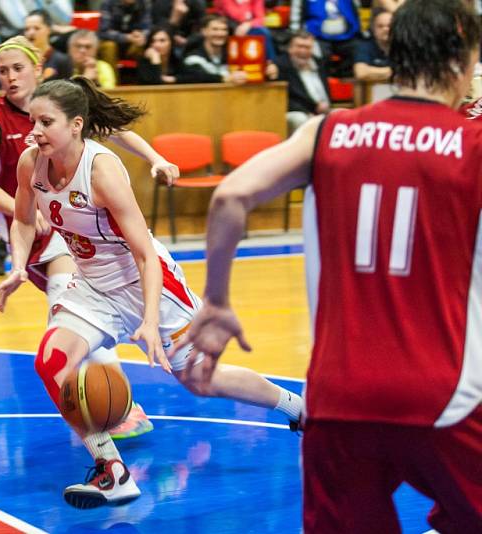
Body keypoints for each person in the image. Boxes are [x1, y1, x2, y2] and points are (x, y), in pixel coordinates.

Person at [177, 0, 482, 530]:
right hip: (443, 395)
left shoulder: (327, 131)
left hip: (338, 396)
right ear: (459, 62)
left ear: (394, 52)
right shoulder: (473, 142)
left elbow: (230, 196)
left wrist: (219, 301)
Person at [0, 76, 304, 508]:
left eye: (46, 122)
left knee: (201, 380)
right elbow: (24, 219)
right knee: (51, 362)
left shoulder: (102, 170)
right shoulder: (32, 163)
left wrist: (149, 321)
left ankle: (297, 408)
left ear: (77, 125)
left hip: (146, 283)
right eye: (33, 121)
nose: (35, 131)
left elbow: (145, 255)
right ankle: (113, 470)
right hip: (92, 286)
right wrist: (18, 266)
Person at [0, 36, 180, 440]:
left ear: (39, 70)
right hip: (31, 225)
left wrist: (155, 158)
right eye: (2, 70)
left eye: (17, 68)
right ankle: (108, 400)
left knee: (70, 309)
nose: (10, 77)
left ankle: (116, 404)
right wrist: (29, 208)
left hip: (70, 228)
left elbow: (117, 131)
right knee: (73, 309)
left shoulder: (63, 108)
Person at [274, 30, 330, 135]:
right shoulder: (280, 65)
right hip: (296, 111)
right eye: (299, 46)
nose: (303, 51)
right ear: (290, 48)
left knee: (342, 114)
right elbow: (282, 98)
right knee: (300, 119)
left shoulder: (319, 63)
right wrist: (308, 111)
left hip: (323, 110)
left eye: (307, 47)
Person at [23, 9, 72, 81]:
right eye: (27, 29)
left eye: (37, 28)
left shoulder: (62, 60)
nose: (31, 32)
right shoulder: (22, 59)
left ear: (49, 29)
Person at [352, 7, 392, 82]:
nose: (386, 29)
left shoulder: (404, 46)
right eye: (380, 26)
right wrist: (392, 71)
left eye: (389, 26)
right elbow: (361, 73)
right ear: (373, 29)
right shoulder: (364, 46)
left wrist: (373, 72)